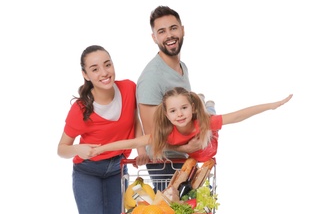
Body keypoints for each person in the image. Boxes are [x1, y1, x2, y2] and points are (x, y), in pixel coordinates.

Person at [57, 45, 144, 214]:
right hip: (88, 173)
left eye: (107, 65)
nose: (104, 73)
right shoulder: (80, 109)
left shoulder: (129, 88)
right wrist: (78, 149)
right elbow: (61, 149)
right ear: (85, 75)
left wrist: (142, 150)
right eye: (95, 69)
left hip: (117, 170)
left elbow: (136, 119)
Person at [90, 87, 293, 173]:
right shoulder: (166, 133)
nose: (179, 114)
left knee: (211, 115)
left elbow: (238, 116)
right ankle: (206, 103)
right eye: (173, 111)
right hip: (198, 154)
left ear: (191, 108)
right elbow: (132, 143)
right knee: (208, 118)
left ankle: (206, 104)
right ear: (167, 115)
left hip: (209, 143)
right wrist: (100, 149)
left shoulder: (202, 122)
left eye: (184, 108)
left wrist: (272, 105)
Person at [136, 5, 215, 190]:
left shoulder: (182, 68)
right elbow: (151, 137)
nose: (169, 35)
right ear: (154, 37)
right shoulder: (151, 78)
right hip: (164, 163)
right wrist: (185, 149)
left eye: (173, 28)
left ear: (182, 30)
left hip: (185, 158)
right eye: (161, 31)